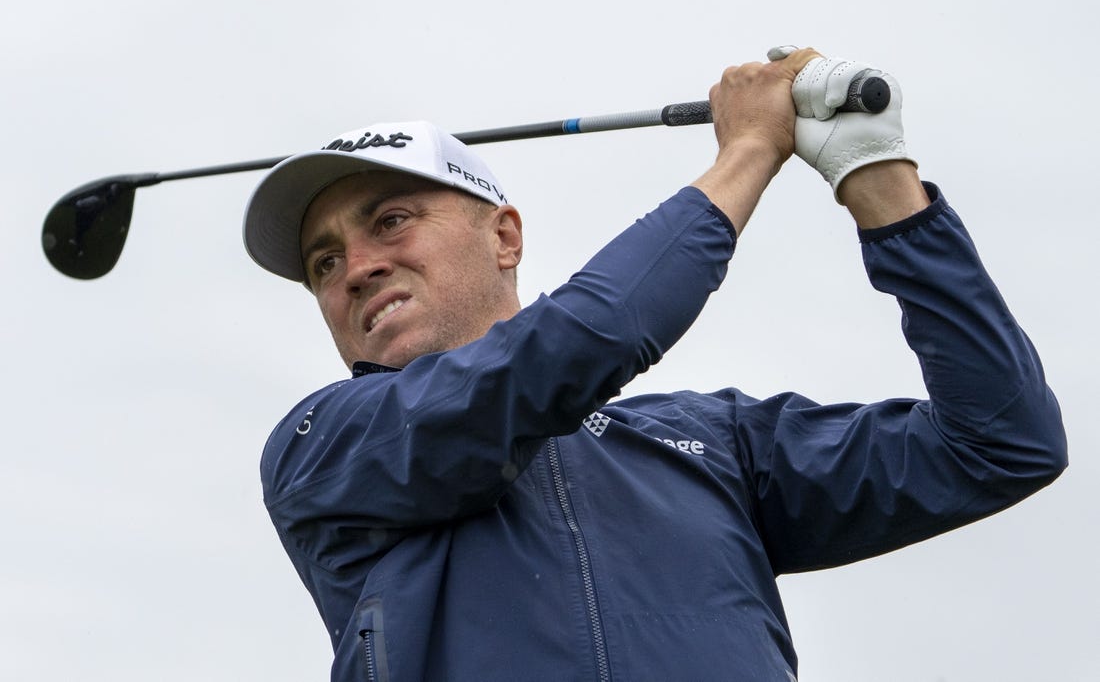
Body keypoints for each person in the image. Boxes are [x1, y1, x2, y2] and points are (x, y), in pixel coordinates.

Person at [241, 47, 1067, 682]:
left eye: (390, 220)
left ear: (504, 237)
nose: (354, 268)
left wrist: (874, 174)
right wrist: (749, 152)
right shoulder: (326, 447)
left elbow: (1000, 441)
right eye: (323, 262)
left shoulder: (714, 444)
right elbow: (570, 347)